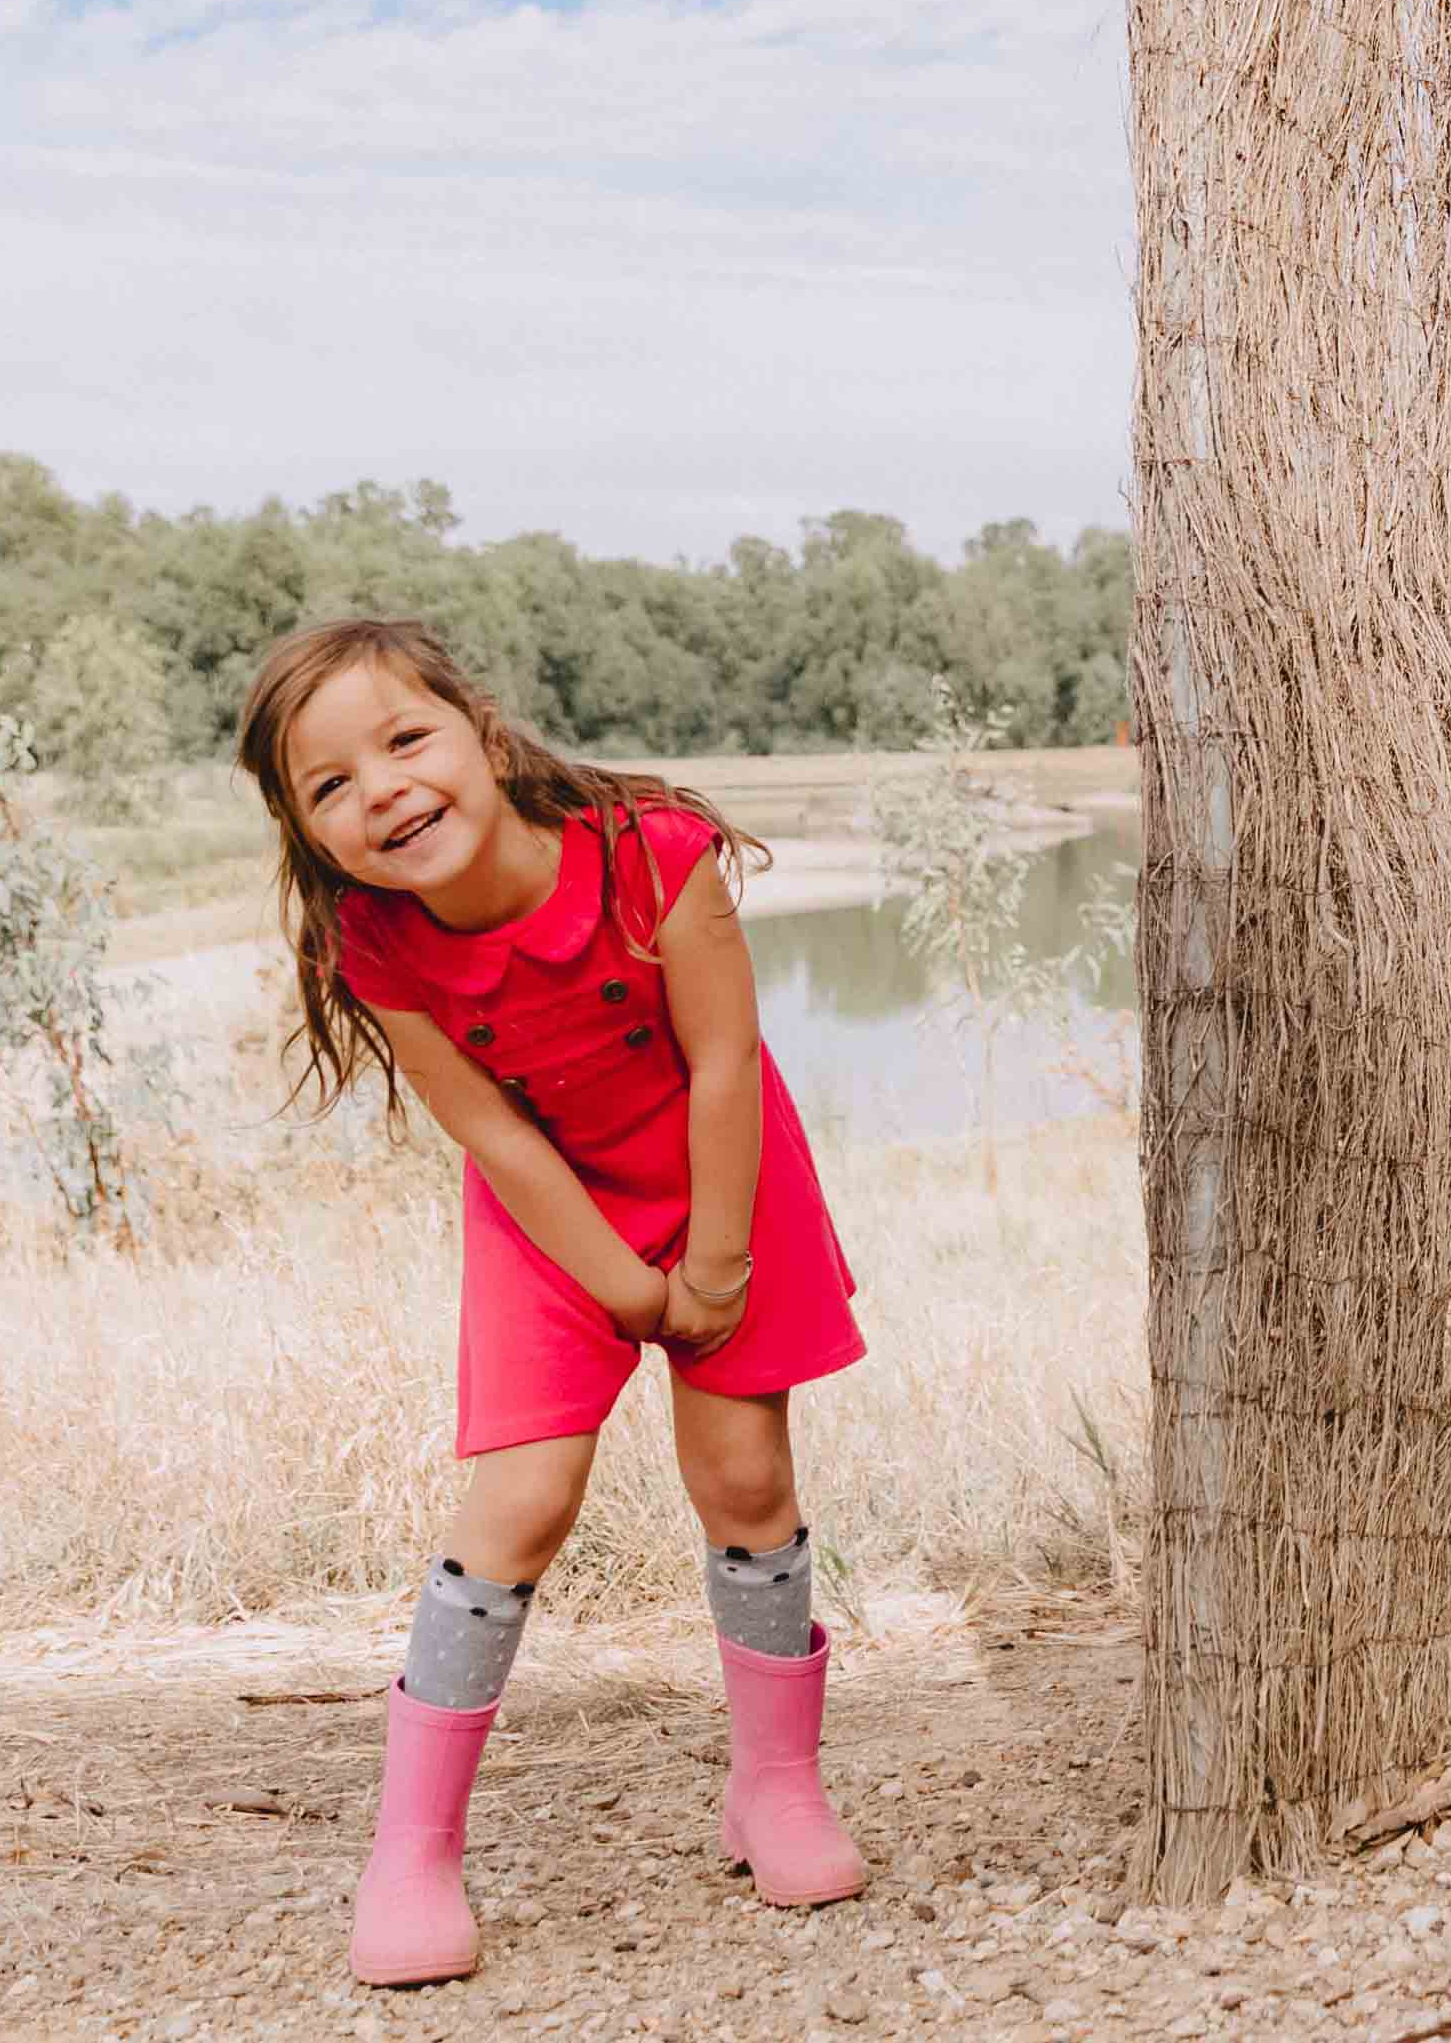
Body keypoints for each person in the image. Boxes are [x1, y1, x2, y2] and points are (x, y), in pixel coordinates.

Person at [236, 616, 873, 1987]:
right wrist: (618, 1281)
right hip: (552, 1213)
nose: (385, 789)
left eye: (406, 739)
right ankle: (411, 1849)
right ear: (306, 829)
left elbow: (724, 1062)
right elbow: (500, 1137)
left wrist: (707, 1270)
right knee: (521, 1498)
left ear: (478, 723)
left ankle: (774, 1785)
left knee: (745, 1474)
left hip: (721, 1171)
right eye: (331, 784)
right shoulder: (382, 943)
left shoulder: (650, 857)